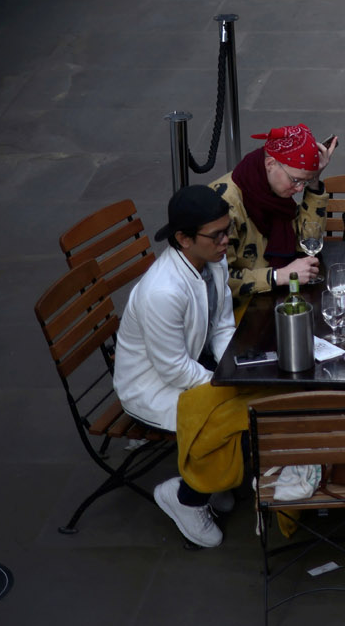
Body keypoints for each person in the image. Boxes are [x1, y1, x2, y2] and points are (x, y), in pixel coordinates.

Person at [115, 185, 242, 547]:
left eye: (226, 230)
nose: (225, 242)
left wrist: (232, 364)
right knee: (237, 413)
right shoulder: (163, 292)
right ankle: (187, 497)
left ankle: (214, 478)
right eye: (216, 235)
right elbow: (173, 371)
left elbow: (221, 323)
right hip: (152, 388)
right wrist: (227, 384)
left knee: (250, 397)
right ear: (184, 239)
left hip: (190, 365)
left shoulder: (211, 261)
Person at [210, 124, 335, 303]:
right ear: (270, 164)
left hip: (275, 296)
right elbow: (219, 282)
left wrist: (313, 180)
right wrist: (279, 275)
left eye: (304, 182)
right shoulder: (224, 205)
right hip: (241, 310)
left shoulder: (273, 186)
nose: (299, 189)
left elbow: (305, 240)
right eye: (296, 180)